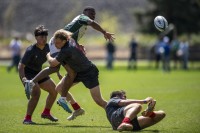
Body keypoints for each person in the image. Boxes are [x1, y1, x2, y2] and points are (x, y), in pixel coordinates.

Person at [25, 6, 114, 112]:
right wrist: (104, 32)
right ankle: (33, 83)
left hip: (61, 42)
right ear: (85, 13)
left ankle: (71, 104)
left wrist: (77, 45)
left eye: (94, 15)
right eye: (91, 14)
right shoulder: (83, 18)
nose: (92, 16)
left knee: (67, 72)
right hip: (58, 42)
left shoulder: (82, 25)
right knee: (58, 68)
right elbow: (91, 24)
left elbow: (71, 37)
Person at [46, 29, 107, 110]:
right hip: (77, 72)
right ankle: (77, 109)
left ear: (64, 41)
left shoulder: (66, 50)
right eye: (54, 42)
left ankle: (116, 110)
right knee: (59, 88)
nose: (55, 45)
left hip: (89, 73)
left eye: (57, 43)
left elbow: (53, 63)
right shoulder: (69, 41)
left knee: (99, 100)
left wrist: (48, 55)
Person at [18, 25, 58, 124]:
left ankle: (46, 112)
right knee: (36, 93)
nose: (44, 39)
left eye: (45, 37)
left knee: (54, 90)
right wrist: (24, 79)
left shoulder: (48, 47)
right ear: (36, 37)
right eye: (41, 37)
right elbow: (21, 66)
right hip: (28, 74)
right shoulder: (31, 50)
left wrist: (58, 73)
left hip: (39, 73)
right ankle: (27, 119)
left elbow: (54, 61)